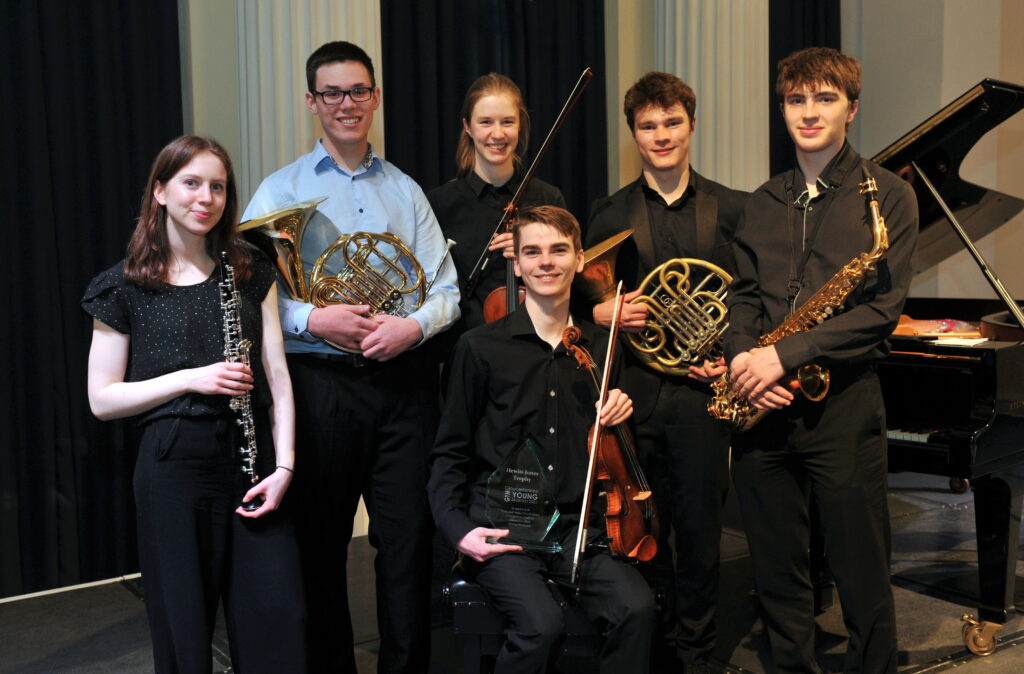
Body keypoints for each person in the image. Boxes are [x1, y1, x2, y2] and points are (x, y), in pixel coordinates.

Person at [241, 41, 460, 672]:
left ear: (376, 97)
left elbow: (444, 290)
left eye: (358, 91)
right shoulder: (278, 190)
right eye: (332, 93)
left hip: (402, 388)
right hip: (321, 388)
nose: (347, 104)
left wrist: (411, 329)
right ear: (312, 101)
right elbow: (249, 296)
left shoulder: (406, 190)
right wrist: (316, 317)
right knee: (320, 545)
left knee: (407, 546)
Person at [722, 47, 917, 673]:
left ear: (851, 109)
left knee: (861, 568)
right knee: (778, 570)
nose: (809, 113)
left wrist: (786, 352)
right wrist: (746, 362)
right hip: (764, 405)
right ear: (783, 109)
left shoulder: (889, 198)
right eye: (797, 100)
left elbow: (880, 313)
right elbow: (742, 299)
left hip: (843, 405)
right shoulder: (761, 200)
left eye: (825, 98)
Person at [83, 135, 305, 673]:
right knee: (184, 633)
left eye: (218, 187)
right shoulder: (125, 285)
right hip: (173, 466)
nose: (205, 197)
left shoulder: (250, 269)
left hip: (251, 464)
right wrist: (191, 378)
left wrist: (285, 465)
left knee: (280, 619)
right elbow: (102, 399)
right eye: (191, 183)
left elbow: (278, 377)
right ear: (159, 191)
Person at [428, 205, 655, 673]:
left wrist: (621, 415)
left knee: (637, 609)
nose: (545, 262)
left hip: (582, 530)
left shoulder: (600, 347)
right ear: (518, 265)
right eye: (532, 251)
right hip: (506, 531)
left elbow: (613, 454)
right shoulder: (479, 348)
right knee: (540, 626)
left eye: (558, 250)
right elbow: (449, 452)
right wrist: (459, 532)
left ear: (578, 260)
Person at [583, 71, 747, 672]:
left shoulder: (733, 207)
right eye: (649, 126)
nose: (662, 135)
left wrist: (728, 354)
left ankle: (699, 655)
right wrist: (603, 310)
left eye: (672, 122)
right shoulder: (608, 212)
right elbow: (580, 301)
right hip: (638, 396)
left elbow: (746, 300)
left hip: (704, 397)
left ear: (692, 125)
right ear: (635, 134)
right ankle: (652, 650)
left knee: (703, 536)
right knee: (641, 531)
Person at [428, 72, 566, 330]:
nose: (498, 133)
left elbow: (569, 278)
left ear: (520, 125)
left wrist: (531, 251)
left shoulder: (548, 199)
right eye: (486, 122)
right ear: (468, 126)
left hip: (538, 342)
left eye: (507, 122)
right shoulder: (440, 204)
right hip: (463, 349)